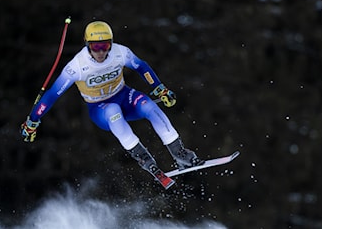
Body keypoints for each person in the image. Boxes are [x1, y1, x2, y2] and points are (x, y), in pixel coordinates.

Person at [20, 21, 204, 188]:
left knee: (148, 104)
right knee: (113, 111)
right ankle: (145, 160)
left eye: (105, 45)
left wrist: (159, 88)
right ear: (87, 45)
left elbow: (142, 66)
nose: (100, 52)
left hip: (124, 96)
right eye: (95, 46)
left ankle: (180, 154)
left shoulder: (120, 53)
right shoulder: (76, 66)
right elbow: (52, 95)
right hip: (100, 109)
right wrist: (33, 120)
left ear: (111, 44)